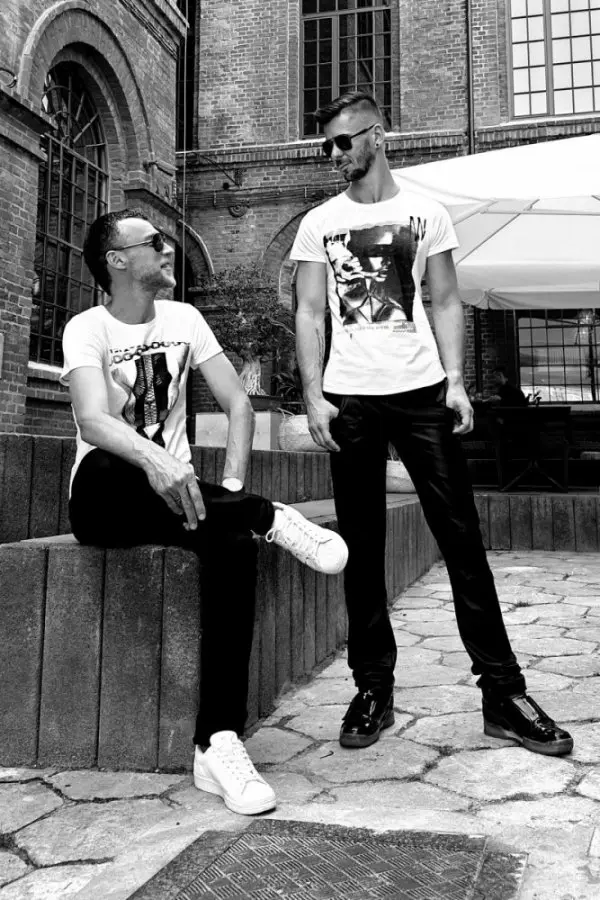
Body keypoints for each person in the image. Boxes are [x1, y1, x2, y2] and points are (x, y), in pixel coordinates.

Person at [291, 91, 573, 757]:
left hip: (421, 393)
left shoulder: (427, 214)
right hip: (351, 399)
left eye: (343, 141)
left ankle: (503, 693)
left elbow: (445, 299)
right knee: (362, 547)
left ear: (377, 136)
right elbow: (308, 311)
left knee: (462, 539)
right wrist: (313, 394)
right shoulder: (319, 223)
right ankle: (373, 688)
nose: (334, 154)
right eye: (327, 144)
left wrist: (455, 379)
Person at [60, 208, 348, 817]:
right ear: (117, 260)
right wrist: (155, 459)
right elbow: (92, 420)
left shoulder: (185, 319)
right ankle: (264, 514)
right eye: (153, 241)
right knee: (113, 462)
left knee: (235, 545)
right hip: (105, 499)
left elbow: (238, 403)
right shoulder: (87, 327)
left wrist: (231, 486)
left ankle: (217, 741)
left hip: (185, 501)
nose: (167, 248)